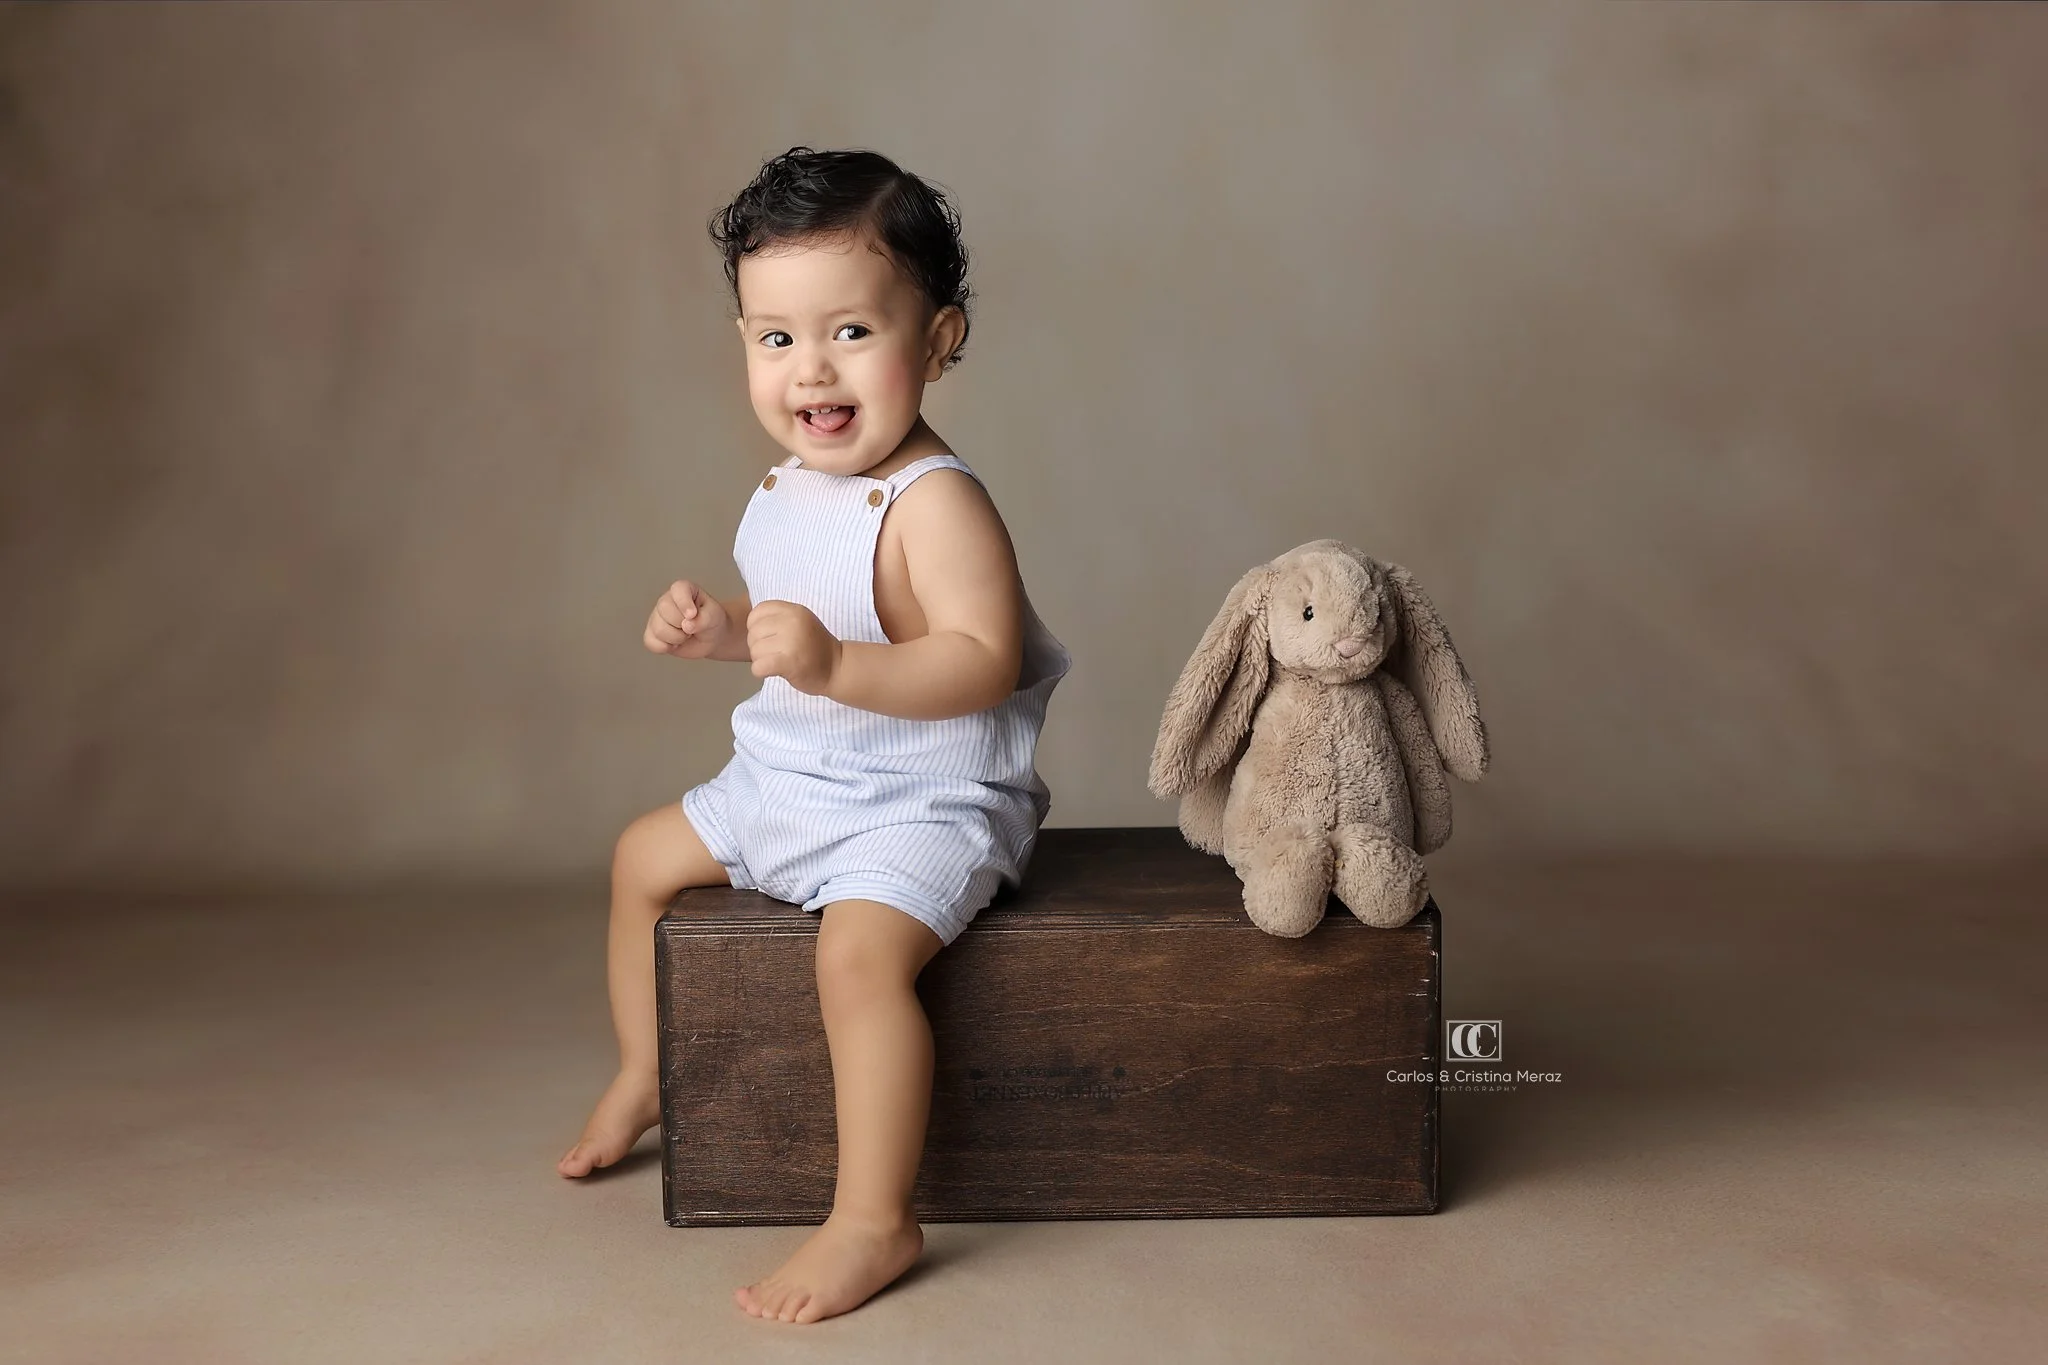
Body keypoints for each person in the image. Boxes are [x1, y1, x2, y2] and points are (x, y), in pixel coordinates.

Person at [556, 146, 1070, 1326]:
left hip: (924, 802)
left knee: (856, 958)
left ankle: (873, 1216)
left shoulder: (936, 501)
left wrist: (834, 663)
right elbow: (798, 628)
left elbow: (978, 659)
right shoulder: (786, 487)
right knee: (641, 858)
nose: (810, 371)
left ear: (937, 342)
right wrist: (724, 634)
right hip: (792, 776)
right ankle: (647, 1071)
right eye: (774, 338)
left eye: (849, 331)